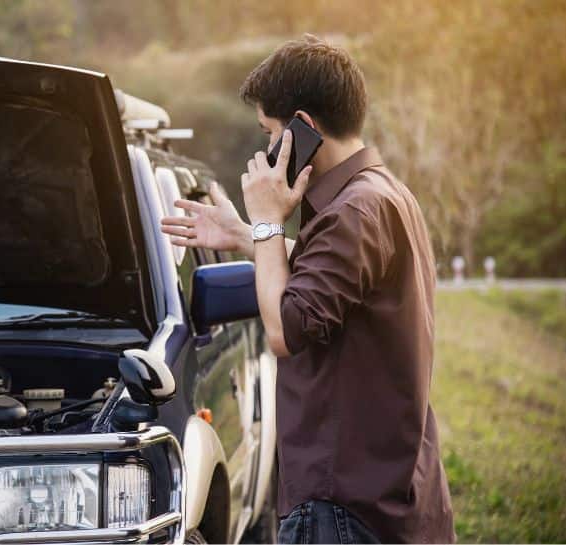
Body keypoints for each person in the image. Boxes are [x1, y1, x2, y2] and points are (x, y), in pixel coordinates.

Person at [161, 34, 455, 544]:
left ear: (304, 128)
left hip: (344, 509)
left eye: (270, 133)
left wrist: (269, 220)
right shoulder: (378, 196)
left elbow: (285, 329)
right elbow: (330, 280)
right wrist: (246, 236)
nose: (267, 149)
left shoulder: (352, 212)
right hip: (381, 498)